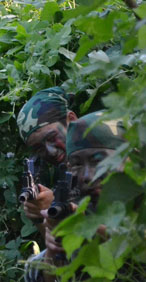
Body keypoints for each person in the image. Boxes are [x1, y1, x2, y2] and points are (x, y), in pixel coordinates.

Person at [24, 112, 125, 282]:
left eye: (97, 160)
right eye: (77, 164)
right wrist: (54, 244)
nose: (86, 175)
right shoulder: (86, 203)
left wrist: (85, 226)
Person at [16, 87, 79, 225]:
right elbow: (58, 244)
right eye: (39, 148)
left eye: (52, 138)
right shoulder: (62, 174)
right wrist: (40, 216)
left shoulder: (106, 154)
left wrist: (65, 210)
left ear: (72, 120)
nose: (50, 152)